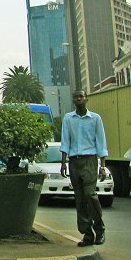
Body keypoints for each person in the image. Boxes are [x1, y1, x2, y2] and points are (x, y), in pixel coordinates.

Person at [60, 90, 108, 247]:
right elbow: (65, 141)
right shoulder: (68, 118)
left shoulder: (95, 118)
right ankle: (87, 235)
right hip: (74, 162)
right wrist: (63, 162)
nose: (79, 99)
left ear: (86, 99)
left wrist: (102, 165)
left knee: (90, 195)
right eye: (76, 97)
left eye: (81, 96)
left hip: (90, 161)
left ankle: (99, 229)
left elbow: (101, 142)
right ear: (73, 100)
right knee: (80, 200)